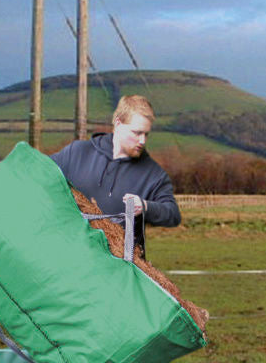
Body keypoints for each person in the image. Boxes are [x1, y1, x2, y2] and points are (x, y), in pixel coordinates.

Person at [51, 94, 180, 255]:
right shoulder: (76, 153)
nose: (142, 141)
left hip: (120, 269)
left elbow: (172, 214)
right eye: (137, 133)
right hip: (72, 259)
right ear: (118, 124)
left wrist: (146, 206)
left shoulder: (152, 173)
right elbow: (39, 174)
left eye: (146, 134)